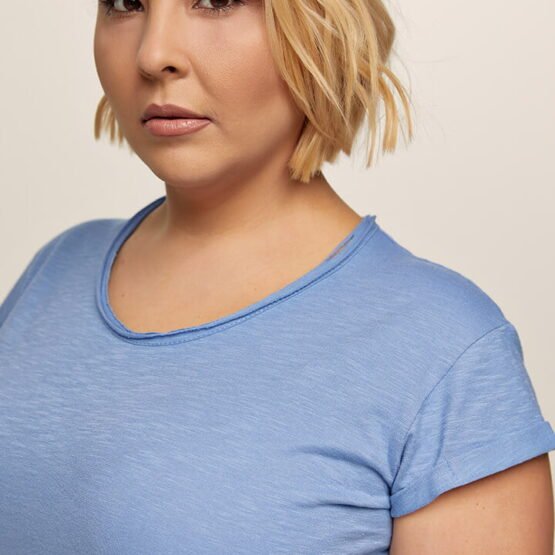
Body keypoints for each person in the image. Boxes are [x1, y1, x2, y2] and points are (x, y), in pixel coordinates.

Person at [1, 0, 553, 553]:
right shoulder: (57, 272)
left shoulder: (445, 350)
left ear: (322, 27)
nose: (153, 54)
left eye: (216, 1)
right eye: (125, 3)